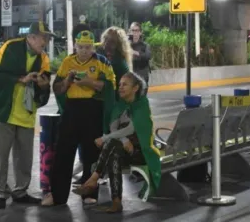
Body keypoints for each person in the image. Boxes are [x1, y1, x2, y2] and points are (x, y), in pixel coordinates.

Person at [42, 30, 116, 206]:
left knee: (91, 154)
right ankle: (57, 195)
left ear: (93, 47)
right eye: (81, 47)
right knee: (63, 153)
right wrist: (68, 81)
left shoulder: (101, 61)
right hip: (71, 110)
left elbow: (109, 86)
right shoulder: (68, 62)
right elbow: (58, 88)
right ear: (75, 45)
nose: (84, 50)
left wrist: (88, 82)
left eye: (88, 47)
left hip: (92, 110)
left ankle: (89, 193)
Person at [72, 72, 161, 213]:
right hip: (123, 149)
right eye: (119, 84)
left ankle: (94, 179)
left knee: (111, 143)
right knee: (115, 152)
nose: (120, 87)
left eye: (125, 84)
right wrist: (124, 140)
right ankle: (115, 201)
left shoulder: (141, 105)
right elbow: (113, 126)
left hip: (142, 151)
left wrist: (105, 138)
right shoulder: (120, 105)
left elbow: (133, 128)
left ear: (136, 88)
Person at [0, 21, 54, 209]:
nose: (45, 41)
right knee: (0, 155)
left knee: (24, 157)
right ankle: (0, 192)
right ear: (31, 37)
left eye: (47, 38)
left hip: (26, 113)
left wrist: (42, 86)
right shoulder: (9, 48)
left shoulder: (44, 59)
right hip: (5, 111)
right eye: (43, 37)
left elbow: (45, 87)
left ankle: (20, 191)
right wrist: (21, 79)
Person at [97, 26, 133, 100]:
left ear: (119, 45)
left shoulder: (120, 64)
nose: (107, 44)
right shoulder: (101, 57)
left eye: (112, 41)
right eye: (106, 39)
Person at [129, 22, 151, 93]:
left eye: (137, 30)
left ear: (140, 32)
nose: (135, 33)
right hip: (130, 74)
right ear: (130, 31)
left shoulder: (145, 45)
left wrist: (135, 53)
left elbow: (148, 56)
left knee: (142, 97)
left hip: (142, 74)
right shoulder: (126, 45)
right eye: (133, 30)